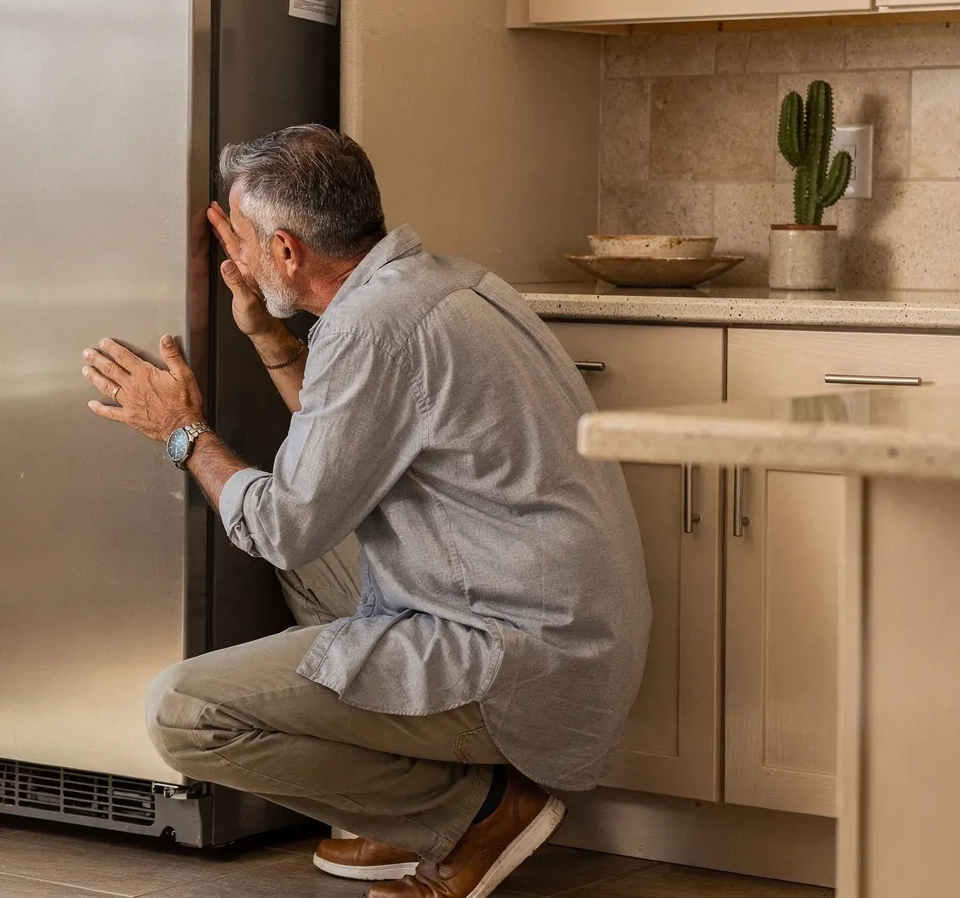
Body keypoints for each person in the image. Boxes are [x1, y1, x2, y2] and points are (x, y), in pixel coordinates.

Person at [79, 124, 649, 898]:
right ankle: (408, 802)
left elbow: (279, 524)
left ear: (287, 252)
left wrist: (180, 431)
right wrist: (266, 332)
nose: (235, 260)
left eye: (243, 242)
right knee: (314, 552)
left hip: (520, 659)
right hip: (557, 622)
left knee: (183, 711)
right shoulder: (439, 283)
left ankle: (474, 812)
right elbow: (339, 453)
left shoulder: (374, 328)